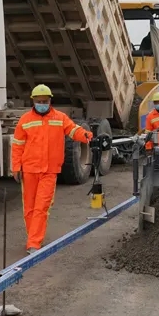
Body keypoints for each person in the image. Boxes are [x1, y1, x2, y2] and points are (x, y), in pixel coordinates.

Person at [11, 84, 93, 254]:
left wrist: (88, 137)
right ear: (33, 101)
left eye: (45, 101)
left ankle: (34, 242)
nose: (42, 103)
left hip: (49, 170)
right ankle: (33, 235)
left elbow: (73, 130)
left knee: (42, 207)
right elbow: (17, 146)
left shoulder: (60, 118)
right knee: (29, 208)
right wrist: (16, 167)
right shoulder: (25, 120)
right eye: (39, 101)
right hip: (30, 170)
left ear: (50, 101)